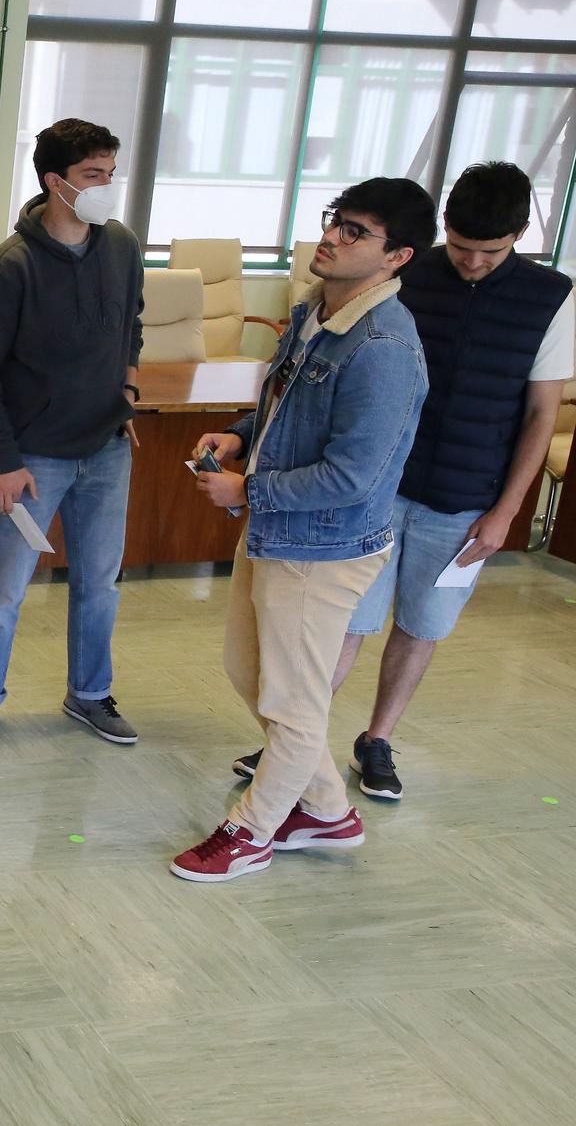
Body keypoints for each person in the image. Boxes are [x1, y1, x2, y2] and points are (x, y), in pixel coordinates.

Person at [231, 163, 573, 801]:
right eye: (461, 245)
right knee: (345, 622)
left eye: (488, 252)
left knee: (422, 623)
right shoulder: (400, 272)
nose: (470, 262)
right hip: (376, 487)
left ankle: (376, 739)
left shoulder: (552, 297)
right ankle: (295, 741)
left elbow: (540, 415)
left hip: (467, 495)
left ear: (520, 235)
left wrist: (506, 512)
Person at [174, 177, 432, 883]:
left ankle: (250, 833)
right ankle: (325, 809)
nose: (332, 237)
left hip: (322, 547)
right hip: (278, 530)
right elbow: (287, 413)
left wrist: (247, 489)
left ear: (397, 256)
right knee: (251, 673)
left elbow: (354, 475)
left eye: (356, 231)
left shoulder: (383, 347)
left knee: (291, 701)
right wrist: (237, 435)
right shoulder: (317, 311)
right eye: (335, 221)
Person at [0, 118, 145, 748]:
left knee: (99, 585)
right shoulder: (12, 266)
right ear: (55, 183)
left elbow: (130, 327)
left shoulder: (121, 246)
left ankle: (89, 694)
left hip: (107, 449)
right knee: (6, 589)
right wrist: (4, 458)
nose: (107, 187)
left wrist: (128, 394)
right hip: (34, 457)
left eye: (110, 174)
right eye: (94, 176)